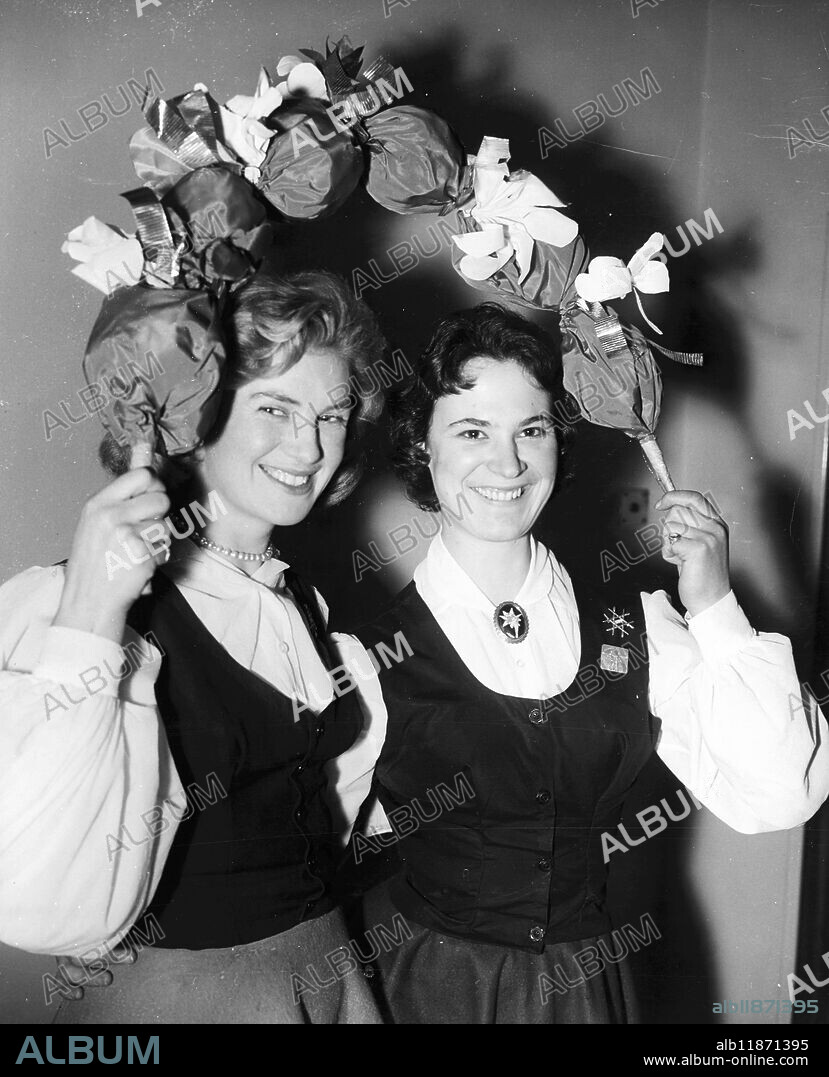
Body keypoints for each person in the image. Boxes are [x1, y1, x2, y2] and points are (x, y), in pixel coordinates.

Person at [335, 302, 829, 1024]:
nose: (507, 463)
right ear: (422, 448)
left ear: (558, 443)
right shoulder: (364, 656)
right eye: (472, 431)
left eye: (531, 430)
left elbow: (783, 792)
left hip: (580, 990)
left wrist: (713, 604)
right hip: (426, 988)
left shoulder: (636, 629)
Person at [0, 269, 387, 1024]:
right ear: (192, 412)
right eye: (275, 408)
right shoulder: (87, 606)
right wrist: (90, 609)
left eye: (332, 415)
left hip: (328, 975)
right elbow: (30, 875)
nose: (309, 445)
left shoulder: (301, 602)